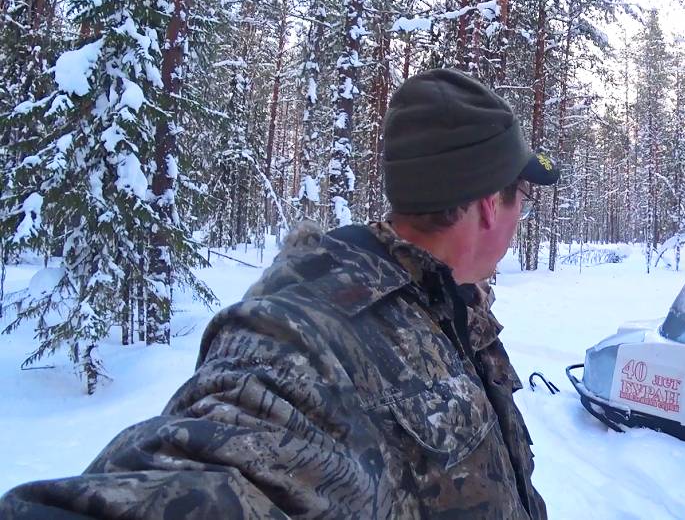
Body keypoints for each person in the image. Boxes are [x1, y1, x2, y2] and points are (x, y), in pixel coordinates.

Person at [0, 69, 558, 519]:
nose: (520, 214)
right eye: (519, 198)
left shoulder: (444, 300)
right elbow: (235, 452)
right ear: (489, 204)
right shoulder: (308, 324)